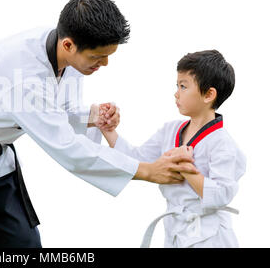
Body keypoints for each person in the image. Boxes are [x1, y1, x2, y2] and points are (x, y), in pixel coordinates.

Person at [0, 0, 197, 248]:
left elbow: (56, 113)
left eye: (109, 55)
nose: (104, 64)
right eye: (98, 56)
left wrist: (92, 118)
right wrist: (145, 170)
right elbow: (65, 147)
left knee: (22, 245)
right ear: (69, 45)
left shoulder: (64, 56)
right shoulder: (22, 73)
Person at [101, 50, 246, 247]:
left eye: (183, 86)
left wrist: (184, 165)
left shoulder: (222, 143)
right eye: (177, 85)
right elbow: (136, 160)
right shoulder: (170, 130)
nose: (176, 93)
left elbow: (221, 195)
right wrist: (109, 130)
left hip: (210, 237)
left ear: (209, 94)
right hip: (175, 232)